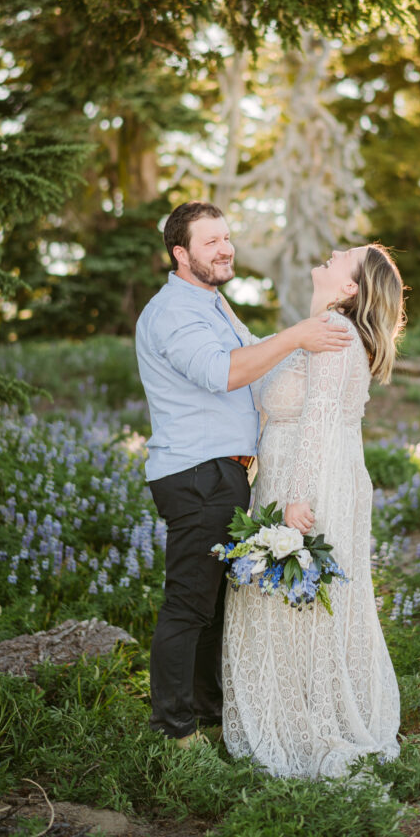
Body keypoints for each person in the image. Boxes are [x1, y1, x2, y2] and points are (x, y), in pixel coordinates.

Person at [135, 201, 352, 749]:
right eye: (210, 242)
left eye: (226, 237)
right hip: (196, 473)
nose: (225, 248)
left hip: (222, 474)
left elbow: (258, 375)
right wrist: (300, 334)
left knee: (210, 608)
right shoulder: (173, 311)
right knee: (189, 604)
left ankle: (209, 719)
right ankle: (174, 732)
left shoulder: (213, 304)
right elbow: (223, 372)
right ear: (180, 254)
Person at [222, 244, 404, 777]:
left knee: (294, 600)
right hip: (316, 474)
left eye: (341, 256)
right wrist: (219, 305)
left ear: (351, 289)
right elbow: (263, 355)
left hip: (309, 480)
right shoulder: (318, 331)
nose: (327, 254)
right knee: (303, 603)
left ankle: (307, 721)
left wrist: (296, 501)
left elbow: (320, 422)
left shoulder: (335, 333)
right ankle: (300, 707)